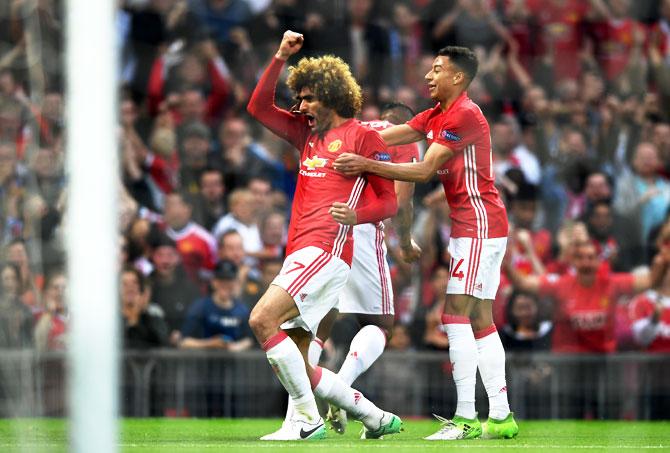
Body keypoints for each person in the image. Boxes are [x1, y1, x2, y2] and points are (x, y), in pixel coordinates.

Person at [334, 45, 518, 440]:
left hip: (479, 225)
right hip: (479, 224)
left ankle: (467, 419)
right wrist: (341, 131)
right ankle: (501, 416)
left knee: (453, 316)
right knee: (481, 319)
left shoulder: (463, 114)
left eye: (437, 70)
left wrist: (364, 163)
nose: (428, 77)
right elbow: (388, 133)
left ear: (458, 78)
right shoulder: (436, 115)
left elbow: (422, 169)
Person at [246, 30, 401, 441]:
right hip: (300, 250)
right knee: (297, 354)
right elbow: (258, 106)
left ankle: (308, 422)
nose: (301, 106)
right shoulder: (305, 133)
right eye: (300, 98)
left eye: (309, 98)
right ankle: (373, 415)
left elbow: (389, 202)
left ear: (331, 95)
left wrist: (356, 214)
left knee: (262, 319)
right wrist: (279, 55)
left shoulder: (365, 138)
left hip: (325, 249)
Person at [277, 102, 422, 435]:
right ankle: (342, 389)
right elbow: (402, 198)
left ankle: (297, 416)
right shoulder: (402, 139)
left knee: (314, 326)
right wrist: (405, 243)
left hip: (323, 229)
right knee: (381, 324)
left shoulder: (353, 130)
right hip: (362, 227)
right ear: (406, 121)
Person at [178, 260, 254, 351]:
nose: (225, 284)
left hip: (234, 362)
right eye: (221, 279)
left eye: (229, 280)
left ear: (235, 282)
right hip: (204, 362)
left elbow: (249, 339)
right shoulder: (200, 307)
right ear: (213, 282)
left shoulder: (242, 309)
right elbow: (183, 341)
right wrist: (211, 343)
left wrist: (236, 347)